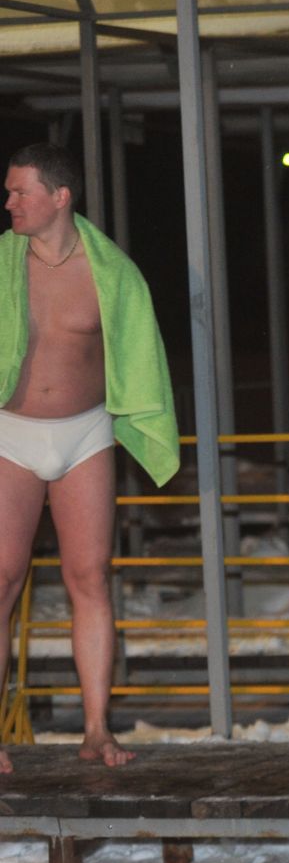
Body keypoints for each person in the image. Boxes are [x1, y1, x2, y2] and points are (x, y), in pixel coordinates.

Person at [0, 143, 178, 771]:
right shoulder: (1, 263)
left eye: (21, 192)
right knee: (0, 580)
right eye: (10, 192)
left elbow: (139, 357)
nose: (10, 202)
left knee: (89, 578)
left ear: (59, 196)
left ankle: (98, 729)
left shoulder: (112, 272)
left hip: (84, 435)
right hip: (9, 435)